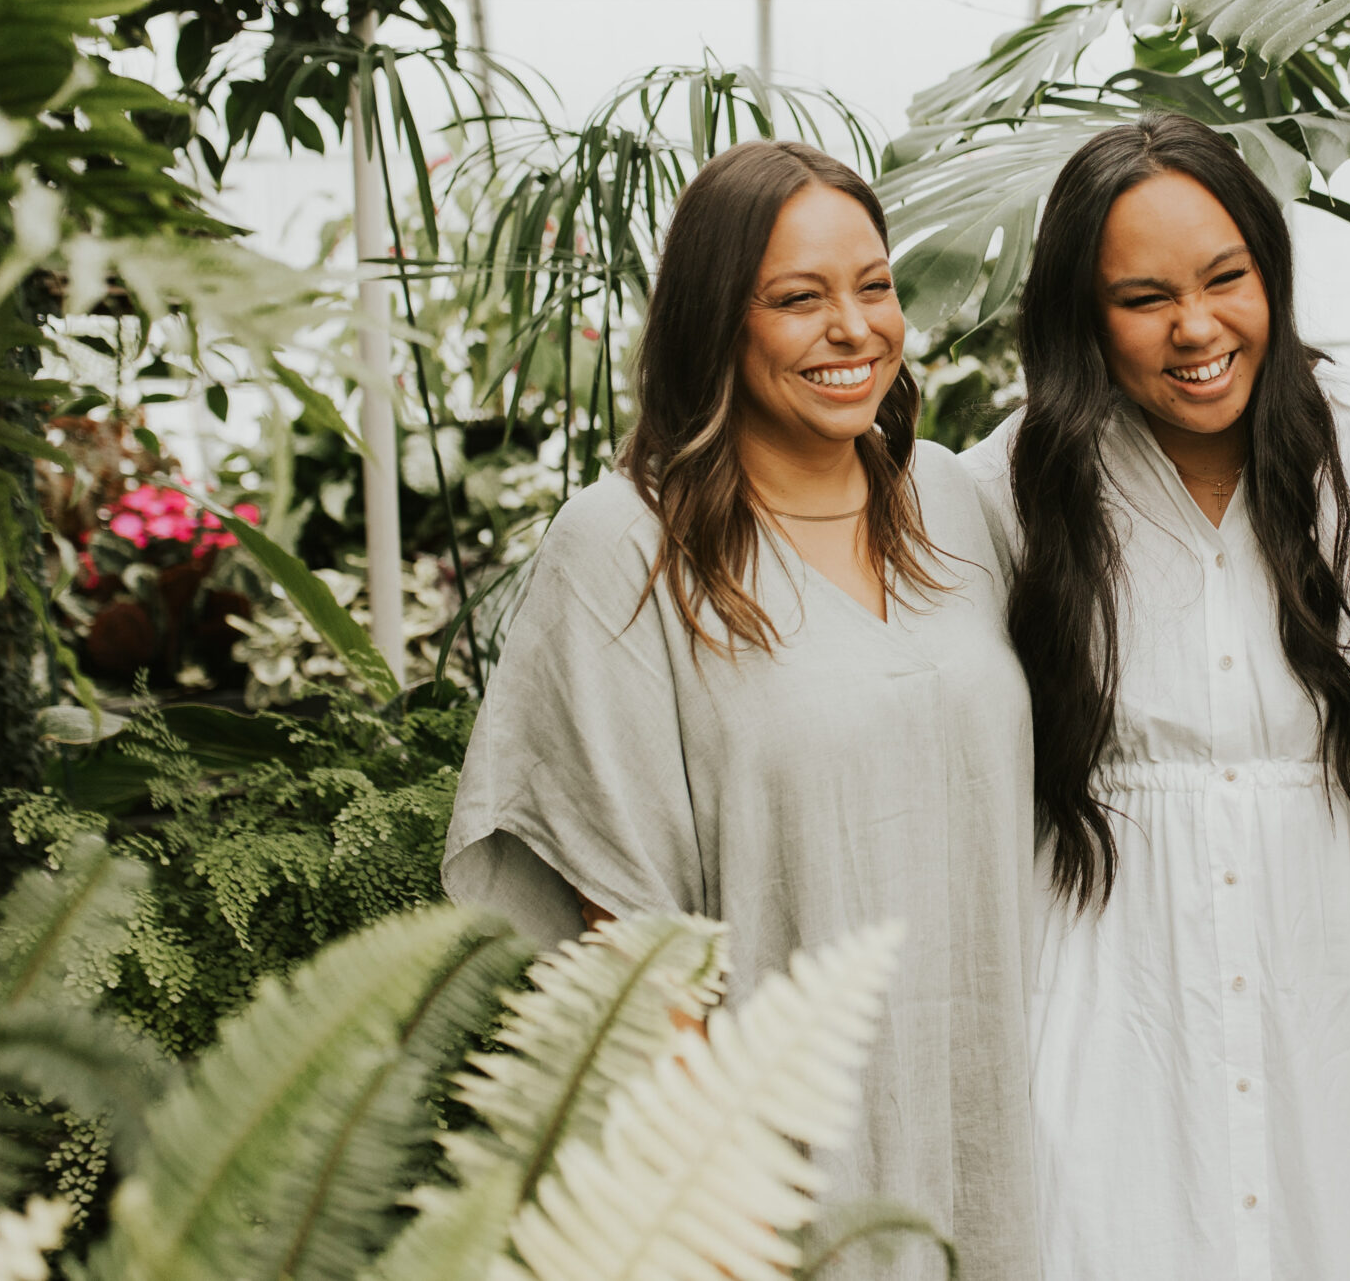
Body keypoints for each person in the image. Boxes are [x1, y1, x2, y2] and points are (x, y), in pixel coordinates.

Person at [444, 140, 1039, 1281]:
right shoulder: (623, 545)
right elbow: (622, 922)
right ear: (718, 320)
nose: (854, 327)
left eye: (873, 286)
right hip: (770, 1160)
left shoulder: (957, 505)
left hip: (987, 1124)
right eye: (797, 299)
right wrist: (708, 1193)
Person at [959, 115, 1350, 1281]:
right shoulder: (1009, 486)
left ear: (1269, 272)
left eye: (1225, 279)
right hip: (1106, 964)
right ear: (1083, 314)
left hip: (1338, 966)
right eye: (1142, 299)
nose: (1196, 329)